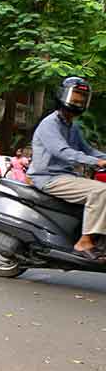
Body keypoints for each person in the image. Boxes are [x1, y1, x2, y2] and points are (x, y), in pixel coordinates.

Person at [28, 76, 106, 260]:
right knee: (101, 191)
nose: (78, 101)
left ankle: (99, 239)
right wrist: (96, 162)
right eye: (75, 97)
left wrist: (102, 158)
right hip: (48, 178)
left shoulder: (73, 126)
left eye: (81, 98)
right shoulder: (50, 123)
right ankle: (84, 242)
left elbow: (89, 150)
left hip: (66, 176)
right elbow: (62, 151)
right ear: (62, 95)